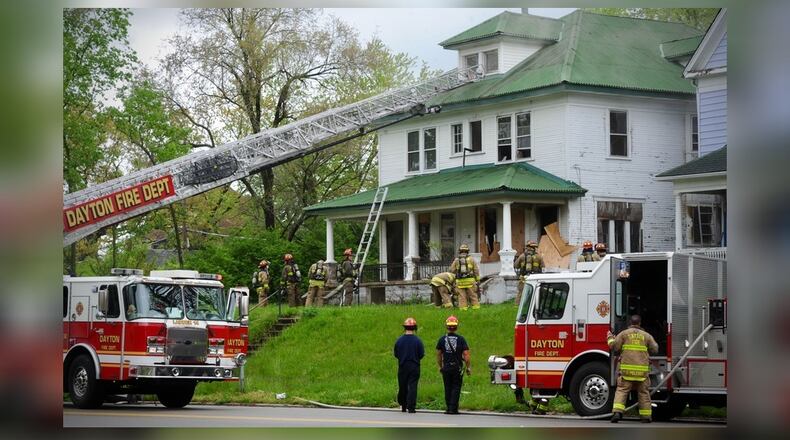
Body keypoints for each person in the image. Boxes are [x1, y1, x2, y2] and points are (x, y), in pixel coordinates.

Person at [607, 314, 659, 423]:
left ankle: (617, 412)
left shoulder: (624, 334)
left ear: (630, 323)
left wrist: (610, 337)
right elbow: (655, 349)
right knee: (644, 393)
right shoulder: (646, 336)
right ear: (640, 323)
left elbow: (614, 347)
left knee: (621, 391)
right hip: (642, 374)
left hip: (626, 372)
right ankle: (646, 417)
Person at [436, 315, 470, 414]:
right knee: (456, 387)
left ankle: (448, 408)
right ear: (456, 326)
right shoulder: (461, 339)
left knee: (447, 387)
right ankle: (453, 408)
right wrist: (468, 367)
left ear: (447, 326)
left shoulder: (442, 339)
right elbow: (466, 355)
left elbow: (438, 354)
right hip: (457, 367)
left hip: (446, 367)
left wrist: (440, 366)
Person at [393, 317, 424, 414]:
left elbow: (396, 354)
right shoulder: (418, 341)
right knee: (412, 386)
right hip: (414, 366)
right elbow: (421, 354)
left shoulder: (399, 340)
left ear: (404, 327)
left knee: (403, 385)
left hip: (403, 365)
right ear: (414, 328)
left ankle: (403, 405)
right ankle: (411, 407)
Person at [450, 244, 480, 310]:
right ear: (467, 251)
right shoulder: (471, 259)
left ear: (460, 251)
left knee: (461, 296)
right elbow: (476, 270)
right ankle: (476, 308)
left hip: (460, 282)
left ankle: (463, 309)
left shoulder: (457, 260)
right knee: (473, 295)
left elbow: (452, 270)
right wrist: (478, 280)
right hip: (470, 281)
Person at [514, 240, 544, 305]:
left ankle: (518, 305)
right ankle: (535, 304)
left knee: (521, 291)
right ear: (534, 248)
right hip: (535, 277)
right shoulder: (539, 256)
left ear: (527, 247)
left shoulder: (522, 256)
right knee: (536, 291)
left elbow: (516, 265)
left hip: (523, 277)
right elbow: (543, 267)